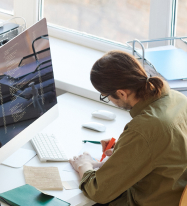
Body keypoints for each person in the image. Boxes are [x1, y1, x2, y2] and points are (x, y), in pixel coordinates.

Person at [68, 51, 187, 206]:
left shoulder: (144, 129)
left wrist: (84, 165)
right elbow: (167, 148)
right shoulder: (179, 99)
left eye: (106, 96)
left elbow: (98, 191)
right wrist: (125, 148)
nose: (109, 100)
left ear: (122, 93)